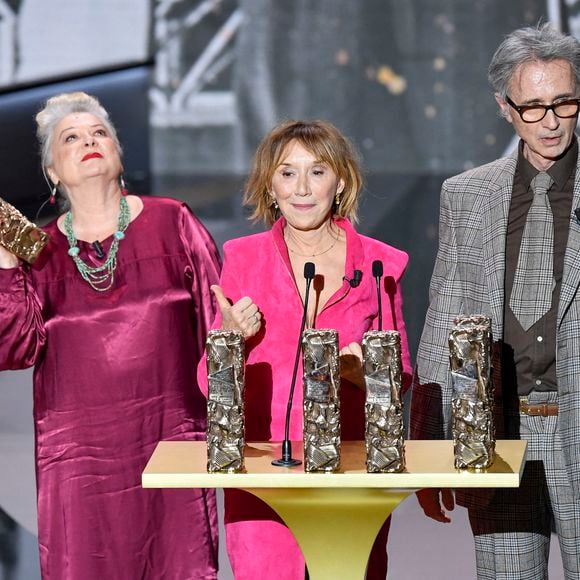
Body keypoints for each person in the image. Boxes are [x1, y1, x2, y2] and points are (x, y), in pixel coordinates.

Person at [0, 92, 221, 579]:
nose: (88, 142)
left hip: (172, 443)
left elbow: (218, 327)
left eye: (99, 133)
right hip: (78, 464)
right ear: (52, 171)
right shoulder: (39, 253)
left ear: (119, 152)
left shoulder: (174, 223)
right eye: (71, 138)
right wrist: (8, 264)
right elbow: (14, 349)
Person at [197, 119, 412, 579]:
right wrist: (230, 340)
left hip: (351, 472)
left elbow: (401, 377)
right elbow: (205, 383)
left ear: (340, 182)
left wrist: (363, 372)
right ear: (269, 186)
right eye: (287, 173)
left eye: (317, 172)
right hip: (263, 475)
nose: (302, 188)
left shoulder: (379, 265)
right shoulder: (244, 259)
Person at [411, 24, 580, 579]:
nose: (551, 121)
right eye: (532, 107)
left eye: (564, 102)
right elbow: (444, 321)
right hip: (500, 434)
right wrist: (433, 447)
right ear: (505, 108)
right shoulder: (467, 195)